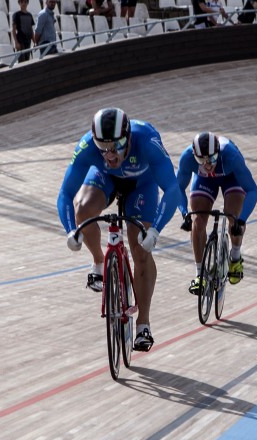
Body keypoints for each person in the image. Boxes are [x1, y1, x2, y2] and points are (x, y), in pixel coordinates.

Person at [57, 107, 181, 352]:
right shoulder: (87, 146)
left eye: (115, 147)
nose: (109, 154)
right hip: (106, 178)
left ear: (129, 137)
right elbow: (65, 193)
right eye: (102, 148)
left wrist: (155, 230)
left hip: (142, 185)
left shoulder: (147, 140)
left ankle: (143, 324)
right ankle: (99, 262)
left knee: (140, 249)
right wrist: (71, 230)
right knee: (83, 209)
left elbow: (172, 189)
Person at [176, 132, 257, 294]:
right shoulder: (187, 158)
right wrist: (184, 213)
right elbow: (177, 188)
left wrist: (241, 220)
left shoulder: (231, 156)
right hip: (204, 181)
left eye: (211, 159)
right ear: (194, 155)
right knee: (198, 221)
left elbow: (252, 190)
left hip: (231, 178)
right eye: (201, 160)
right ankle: (200, 274)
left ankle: (235, 257)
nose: (207, 165)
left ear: (218, 152)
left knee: (233, 218)